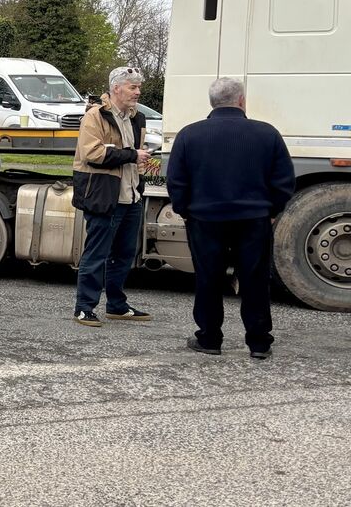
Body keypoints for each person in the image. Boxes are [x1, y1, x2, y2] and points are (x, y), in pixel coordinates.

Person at [166, 78, 295, 359]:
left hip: (204, 219)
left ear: (212, 102)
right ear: (241, 101)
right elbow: (284, 180)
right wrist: (271, 210)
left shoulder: (189, 135)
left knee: (208, 278)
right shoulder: (267, 133)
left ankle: (210, 338)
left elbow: (176, 181)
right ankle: (259, 342)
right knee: (255, 279)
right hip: (253, 219)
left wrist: (186, 211)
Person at [70, 65, 153, 326]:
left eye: (138, 87)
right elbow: (92, 154)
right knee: (96, 254)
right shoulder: (95, 116)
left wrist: (141, 163)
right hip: (104, 197)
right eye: (133, 87)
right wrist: (131, 155)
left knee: (124, 254)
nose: (138, 92)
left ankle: (116, 305)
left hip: (131, 197)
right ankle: (84, 308)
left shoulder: (137, 118)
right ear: (116, 88)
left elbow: (132, 154)